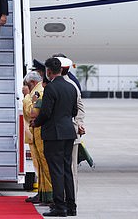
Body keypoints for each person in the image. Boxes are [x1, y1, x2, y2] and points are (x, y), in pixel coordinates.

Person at [32, 57, 78, 217]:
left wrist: (36, 123)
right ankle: (71, 206)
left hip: (54, 134)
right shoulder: (71, 87)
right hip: (68, 133)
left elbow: (46, 112)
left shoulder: (51, 88)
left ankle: (59, 206)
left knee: (56, 170)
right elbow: (74, 112)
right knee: (67, 170)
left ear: (49, 71)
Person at [55, 56, 86, 196]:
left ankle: (70, 200)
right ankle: (61, 199)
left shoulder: (72, 84)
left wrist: (79, 123)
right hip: (60, 133)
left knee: (71, 169)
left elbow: (80, 108)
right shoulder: (56, 83)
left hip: (70, 132)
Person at [23, 68, 53, 206]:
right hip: (37, 133)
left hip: (40, 133)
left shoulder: (37, 91)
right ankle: (43, 193)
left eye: (28, 85)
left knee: (44, 164)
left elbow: (32, 112)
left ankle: (48, 195)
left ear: (33, 82)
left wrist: (27, 97)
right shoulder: (40, 89)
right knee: (39, 164)